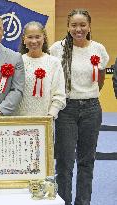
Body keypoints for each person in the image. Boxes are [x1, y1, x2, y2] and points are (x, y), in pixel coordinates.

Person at [50, 9, 109, 205]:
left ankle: (83, 202)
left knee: (86, 162)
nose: (78, 29)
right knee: (65, 164)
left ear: (89, 26)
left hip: (91, 109)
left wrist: (87, 95)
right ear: (68, 27)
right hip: (66, 109)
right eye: (74, 25)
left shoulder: (98, 49)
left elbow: (99, 81)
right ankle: (63, 201)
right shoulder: (57, 49)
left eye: (82, 25)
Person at [15, 21, 66, 118]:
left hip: (45, 121)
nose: (34, 41)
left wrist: (51, 115)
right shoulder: (17, 61)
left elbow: (59, 94)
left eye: (37, 37)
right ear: (24, 39)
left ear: (44, 38)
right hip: (19, 120)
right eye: (30, 37)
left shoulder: (54, 62)